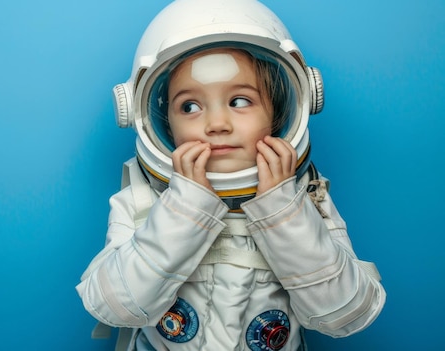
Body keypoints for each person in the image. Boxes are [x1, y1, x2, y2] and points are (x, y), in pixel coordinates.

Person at [76, 0, 386, 350]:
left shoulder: (306, 197)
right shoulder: (143, 199)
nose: (217, 125)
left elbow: (346, 316)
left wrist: (283, 213)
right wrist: (185, 209)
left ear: (280, 109)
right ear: (161, 121)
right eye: (190, 107)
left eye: (239, 101)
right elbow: (112, 306)